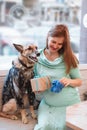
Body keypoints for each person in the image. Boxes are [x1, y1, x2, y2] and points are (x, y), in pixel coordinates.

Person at [33, 24, 82, 130]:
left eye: (60, 44)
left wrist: (68, 81)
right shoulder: (37, 58)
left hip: (70, 104)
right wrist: (37, 88)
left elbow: (79, 81)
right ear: (48, 37)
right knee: (44, 127)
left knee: (66, 127)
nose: (55, 46)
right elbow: (35, 80)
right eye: (53, 42)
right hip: (48, 105)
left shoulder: (68, 57)